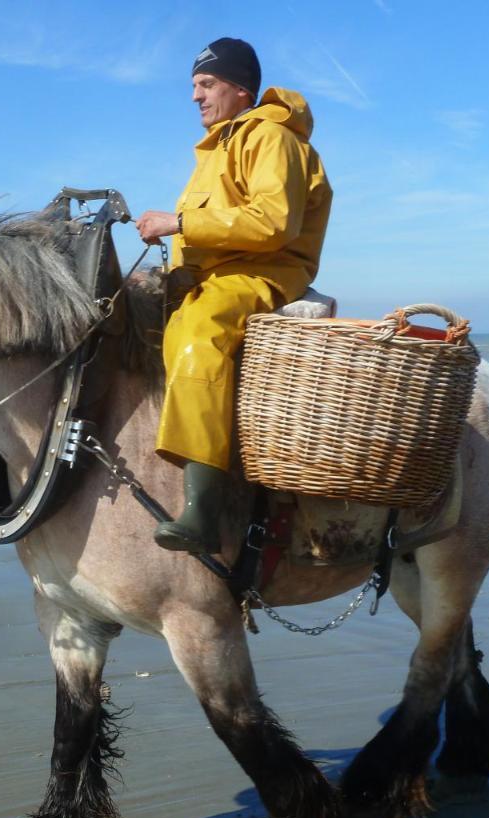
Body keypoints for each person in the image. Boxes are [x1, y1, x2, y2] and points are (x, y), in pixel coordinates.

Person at [137, 37, 332, 553]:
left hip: (260, 274)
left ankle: (203, 511)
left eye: (206, 85)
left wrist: (178, 222)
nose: (196, 97)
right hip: (213, 277)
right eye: (195, 86)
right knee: (107, 316)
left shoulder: (272, 138)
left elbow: (272, 223)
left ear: (241, 89)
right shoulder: (219, 144)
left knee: (200, 336)